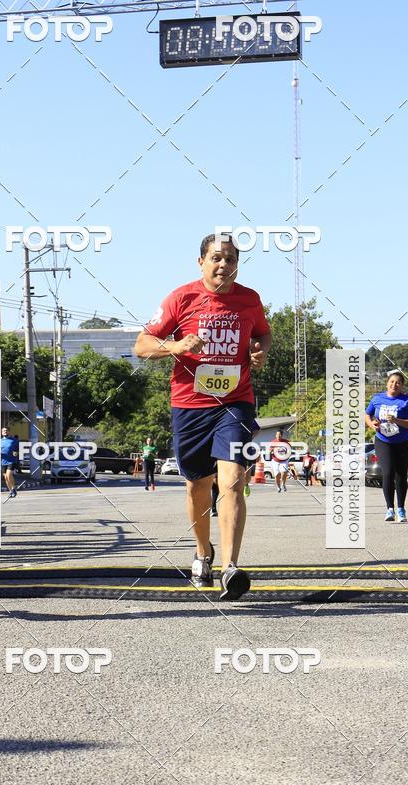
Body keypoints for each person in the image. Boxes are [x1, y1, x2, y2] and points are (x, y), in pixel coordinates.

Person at [135, 233, 271, 601]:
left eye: (230, 259)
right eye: (216, 258)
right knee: (197, 485)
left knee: (231, 480)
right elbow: (142, 345)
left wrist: (259, 352)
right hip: (190, 405)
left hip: (236, 402)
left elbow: (263, 336)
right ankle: (202, 552)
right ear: (201, 262)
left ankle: (231, 567)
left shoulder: (249, 299)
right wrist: (175, 345)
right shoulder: (182, 298)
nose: (223, 264)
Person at [365, 369, 408, 522]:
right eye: (392, 382)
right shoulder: (377, 399)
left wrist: (396, 420)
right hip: (383, 441)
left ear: (401, 386)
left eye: (398, 383)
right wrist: (372, 425)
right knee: (387, 473)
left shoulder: (405, 401)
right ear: (387, 384)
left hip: (402, 442)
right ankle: (389, 509)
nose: (395, 384)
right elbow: (367, 415)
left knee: (400, 475)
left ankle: (401, 509)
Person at [0, 426, 19, 497]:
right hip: (3, 461)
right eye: (3, 431)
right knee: (5, 478)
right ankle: (11, 491)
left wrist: (16, 453)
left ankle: (14, 488)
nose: (5, 432)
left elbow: (17, 449)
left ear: (9, 431)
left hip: (12, 461)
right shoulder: (0, 441)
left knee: (9, 475)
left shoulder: (14, 440)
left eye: (6, 430)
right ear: (2, 432)